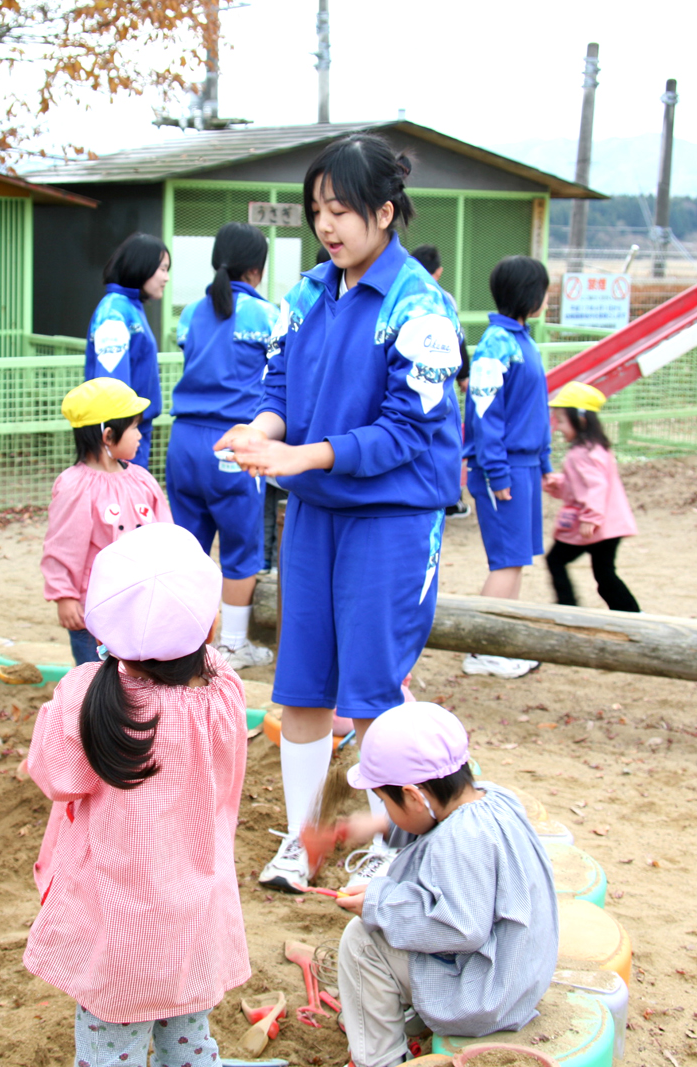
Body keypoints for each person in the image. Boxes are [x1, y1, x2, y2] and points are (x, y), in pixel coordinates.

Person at [216, 133, 464, 892]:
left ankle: (397, 844)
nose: (327, 226)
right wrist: (261, 434)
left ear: (384, 213)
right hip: (317, 512)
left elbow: (405, 432)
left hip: (390, 514)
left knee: (374, 688)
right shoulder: (305, 296)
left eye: (343, 211)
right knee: (302, 683)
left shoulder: (420, 307)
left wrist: (305, 456)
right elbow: (280, 389)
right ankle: (304, 840)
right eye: (318, 210)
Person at [24, 523, 249, 1067]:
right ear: (210, 622)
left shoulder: (88, 694)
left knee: (110, 1049)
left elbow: (58, 778)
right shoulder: (223, 694)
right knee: (190, 1034)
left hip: (117, 920)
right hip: (194, 911)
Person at [329, 702, 558, 1067]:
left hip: (487, 996)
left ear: (415, 796)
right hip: (520, 972)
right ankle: (414, 1021)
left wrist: (379, 902)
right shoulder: (495, 799)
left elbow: (458, 926)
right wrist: (383, 827)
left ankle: (380, 1060)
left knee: (362, 941)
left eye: (387, 803)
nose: (386, 812)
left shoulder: (461, 840)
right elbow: (433, 829)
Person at [169, 222, 277, 671]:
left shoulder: (192, 311)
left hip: (184, 440)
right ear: (257, 269)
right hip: (233, 444)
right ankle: (231, 644)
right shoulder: (266, 315)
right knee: (241, 548)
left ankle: (179, 644)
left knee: (187, 549)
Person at [461, 255, 552, 680]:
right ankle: (482, 651)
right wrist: (496, 472)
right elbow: (485, 416)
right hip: (504, 471)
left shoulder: (523, 340)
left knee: (515, 560)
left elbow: (535, 409)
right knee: (505, 562)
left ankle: (501, 645)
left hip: (525, 467)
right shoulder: (496, 344)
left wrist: (545, 463)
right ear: (529, 294)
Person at [42, 379, 173, 665]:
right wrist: (65, 596)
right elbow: (64, 546)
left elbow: (166, 535)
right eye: (135, 427)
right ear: (108, 435)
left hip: (142, 604)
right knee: (98, 680)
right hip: (95, 611)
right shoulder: (76, 487)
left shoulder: (141, 479)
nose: (141, 435)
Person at [542, 382, 640, 611]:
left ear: (582, 420)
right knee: (604, 576)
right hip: (605, 526)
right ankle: (631, 615)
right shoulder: (594, 448)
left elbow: (597, 487)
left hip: (596, 526)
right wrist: (559, 484)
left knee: (559, 562)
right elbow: (582, 485)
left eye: (562, 421)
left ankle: (569, 607)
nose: (558, 428)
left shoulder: (583, 453)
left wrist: (591, 517)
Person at [86, 233, 170, 468]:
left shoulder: (131, 307)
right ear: (141, 266)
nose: (167, 277)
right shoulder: (115, 312)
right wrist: (119, 441)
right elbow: (111, 387)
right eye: (162, 269)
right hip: (122, 436)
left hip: (133, 431)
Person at [413, 243, 473, 519]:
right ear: (438, 272)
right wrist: (463, 376)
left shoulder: (396, 292)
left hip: (408, 381)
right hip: (440, 381)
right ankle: (451, 498)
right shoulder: (443, 298)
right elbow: (457, 341)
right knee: (444, 435)